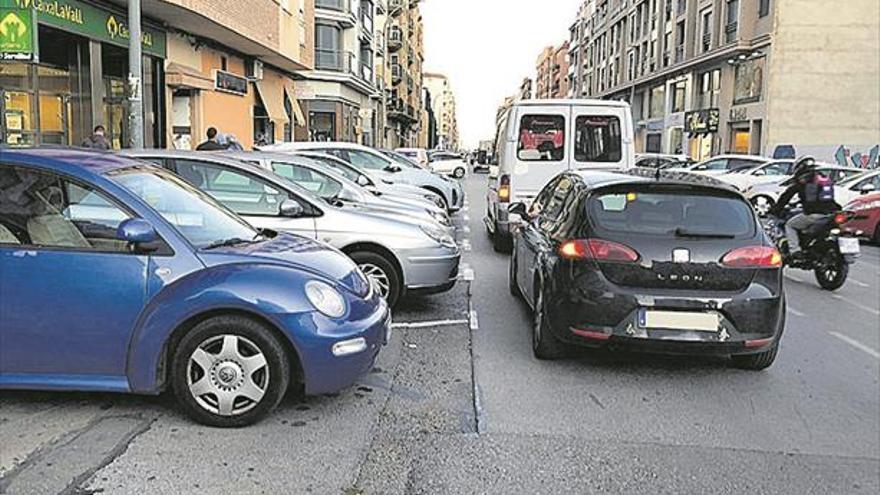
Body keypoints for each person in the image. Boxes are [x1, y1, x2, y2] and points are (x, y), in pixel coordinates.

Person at [768, 156, 840, 257]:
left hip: (815, 213)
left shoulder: (803, 179)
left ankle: (795, 251)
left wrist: (775, 209)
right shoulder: (822, 177)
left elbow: (786, 196)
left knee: (790, 225)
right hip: (832, 212)